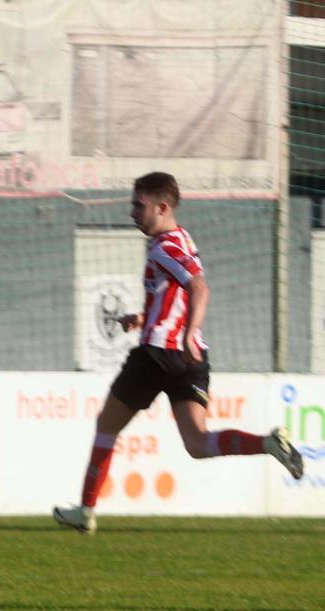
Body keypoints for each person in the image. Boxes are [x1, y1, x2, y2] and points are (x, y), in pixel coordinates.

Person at [53, 172, 303, 535]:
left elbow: (199, 288)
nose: (133, 213)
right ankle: (267, 443)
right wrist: (144, 317)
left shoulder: (163, 247)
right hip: (189, 359)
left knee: (106, 426)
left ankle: (86, 511)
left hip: (157, 353)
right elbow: (177, 294)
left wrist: (184, 333)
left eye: (139, 206)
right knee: (198, 443)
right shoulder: (184, 240)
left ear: (162, 207)